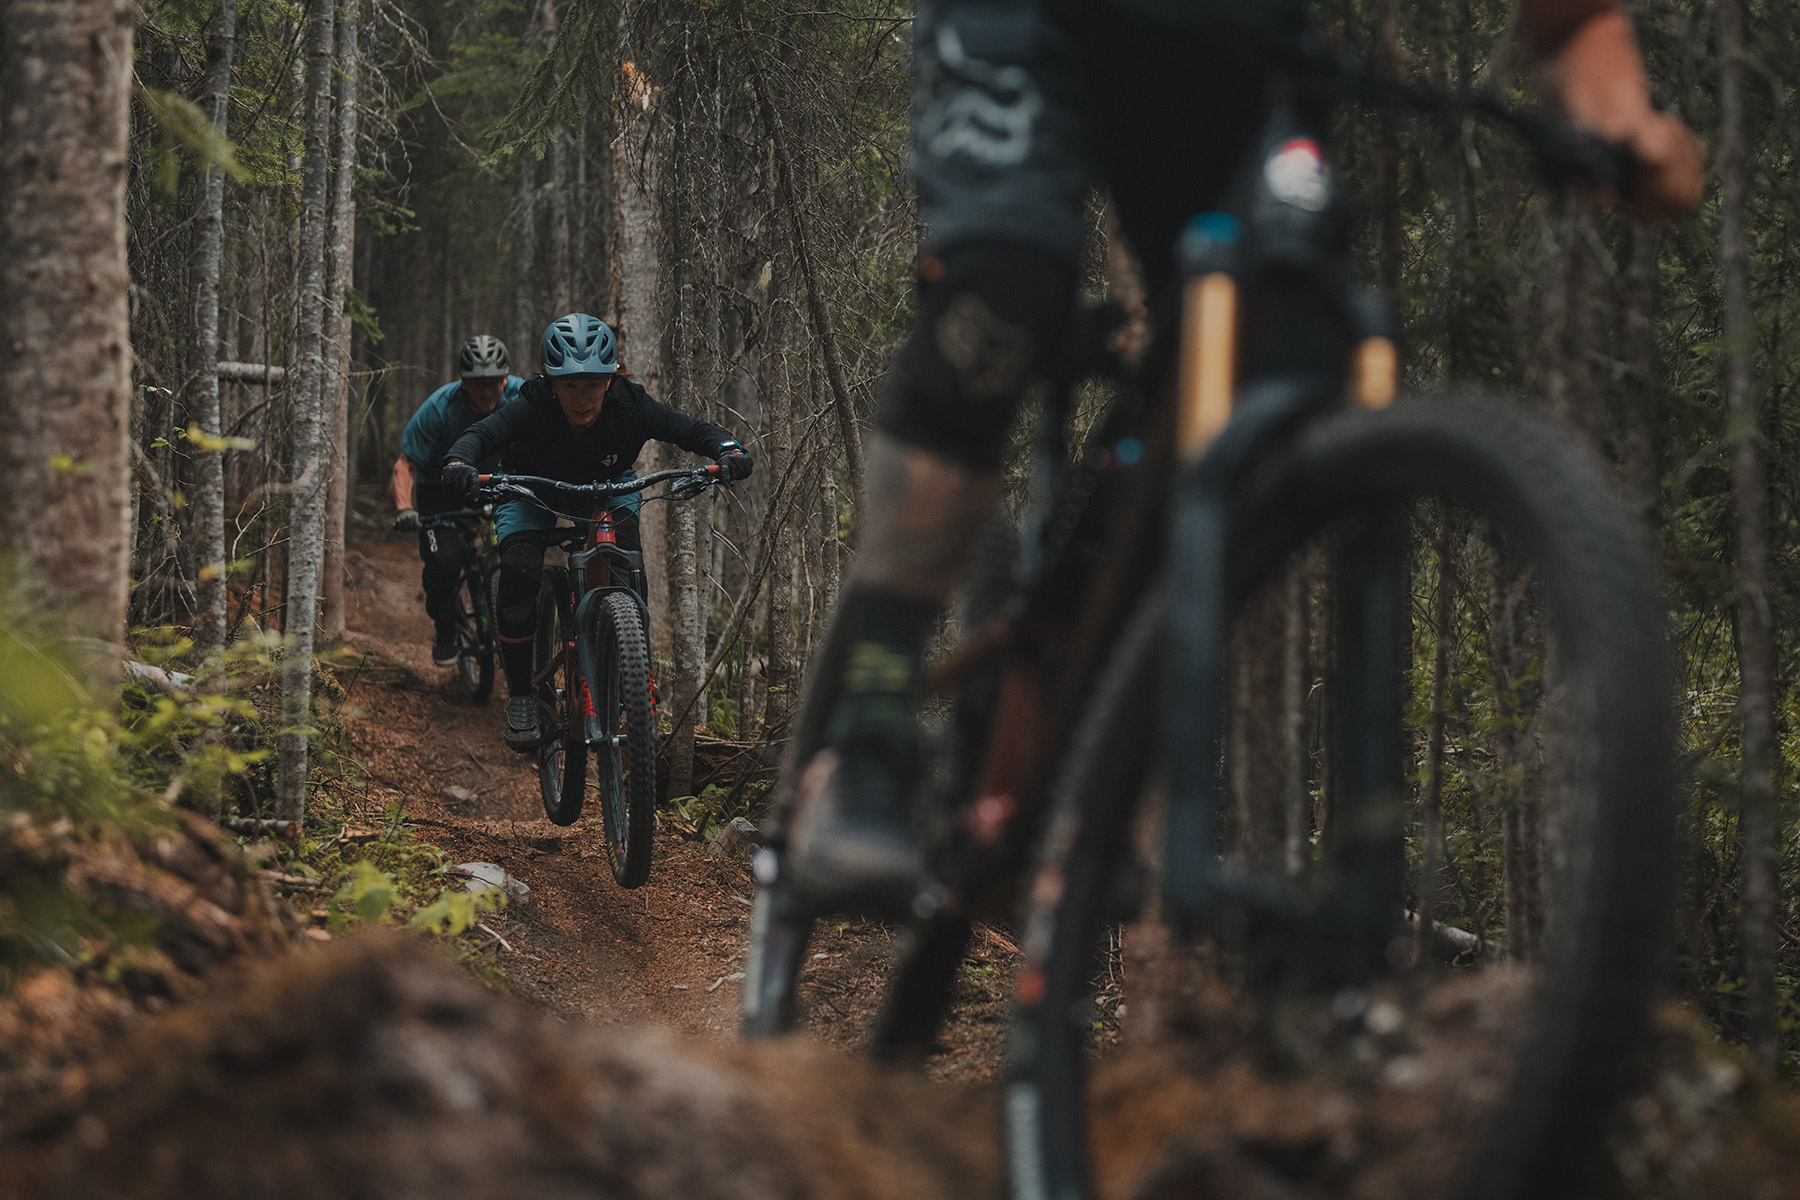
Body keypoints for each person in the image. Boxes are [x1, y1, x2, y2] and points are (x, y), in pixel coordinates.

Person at [779, 0, 1706, 911]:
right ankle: (868, 743)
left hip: (1238, 48)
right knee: (1002, 297)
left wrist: (1622, 120)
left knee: (1289, 355)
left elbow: (1573, 17)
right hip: (1025, 23)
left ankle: (1084, 744)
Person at [440, 313, 754, 751]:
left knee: (627, 564)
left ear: (610, 379)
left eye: (592, 383)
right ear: (551, 381)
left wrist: (727, 449)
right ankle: (522, 697)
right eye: (569, 384)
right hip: (531, 487)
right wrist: (459, 463)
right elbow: (482, 434)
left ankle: (632, 670)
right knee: (518, 570)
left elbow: (691, 430)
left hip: (608, 488)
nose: (582, 397)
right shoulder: (533, 404)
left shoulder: (630, 405)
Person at [393, 335, 526, 667]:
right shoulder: (440, 407)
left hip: (497, 482)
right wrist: (405, 509)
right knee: (445, 561)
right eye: (476, 384)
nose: (485, 392)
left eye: (493, 383)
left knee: (521, 553)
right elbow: (405, 464)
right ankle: (445, 625)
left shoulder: (522, 397)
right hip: (441, 489)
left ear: (505, 379)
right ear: (462, 383)